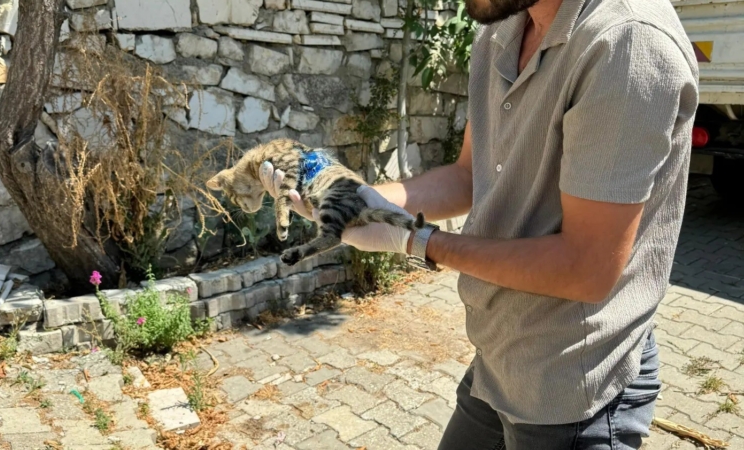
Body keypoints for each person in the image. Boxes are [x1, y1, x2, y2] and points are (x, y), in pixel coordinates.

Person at [260, 0, 699, 446]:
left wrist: (417, 240)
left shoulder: (627, 44)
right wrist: (353, 200)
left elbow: (586, 267)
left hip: (572, 385)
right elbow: (469, 175)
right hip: (500, 355)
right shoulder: (503, 28)